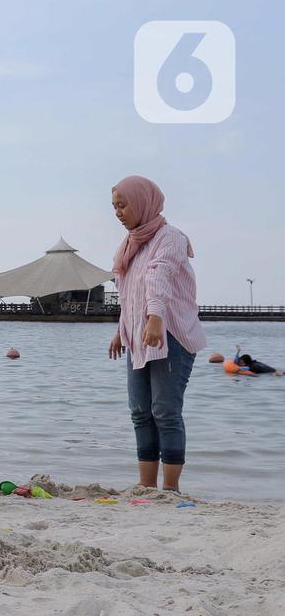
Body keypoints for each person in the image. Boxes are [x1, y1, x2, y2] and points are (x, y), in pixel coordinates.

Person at [107, 175, 205, 492]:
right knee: (140, 411)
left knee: (165, 411)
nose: (118, 213)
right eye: (114, 207)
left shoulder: (170, 237)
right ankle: (146, 485)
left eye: (123, 205)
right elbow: (129, 294)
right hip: (139, 336)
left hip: (170, 333)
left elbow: (158, 275)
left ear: (142, 203)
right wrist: (121, 330)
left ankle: (170, 488)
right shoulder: (130, 245)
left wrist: (156, 317)